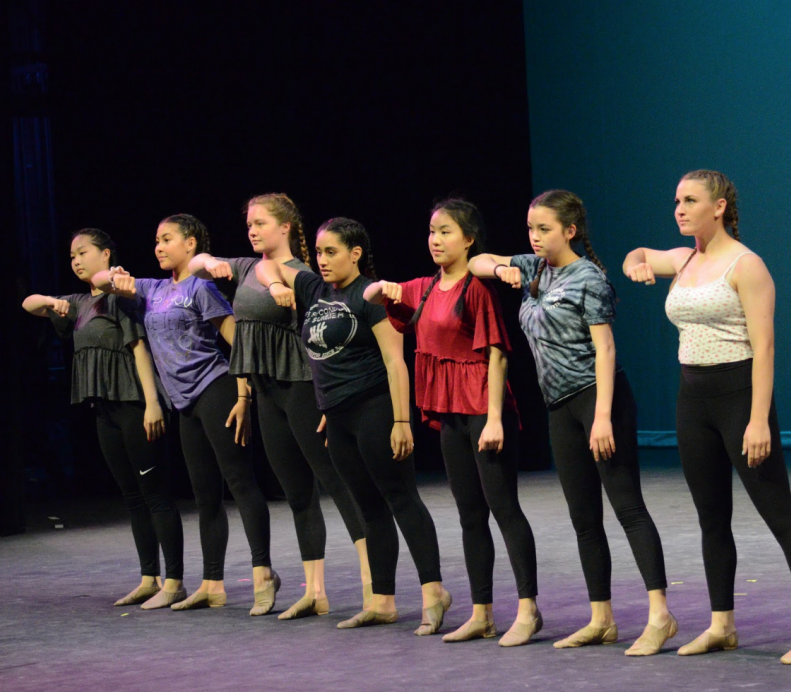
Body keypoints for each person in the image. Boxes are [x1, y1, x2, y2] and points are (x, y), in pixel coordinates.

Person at [622, 170, 791, 664]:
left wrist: (758, 419)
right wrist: (636, 264)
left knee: (779, 514)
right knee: (711, 518)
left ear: (718, 207)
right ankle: (722, 625)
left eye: (690, 200)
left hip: (739, 398)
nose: (678, 208)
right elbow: (637, 254)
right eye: (676, 199)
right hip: (691, 401)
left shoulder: (747, 265)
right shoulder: (682, 260)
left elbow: (765, 348)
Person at [469, 190, 673, 656]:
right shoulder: (534, 267)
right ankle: (602, 617)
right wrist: (503, 268)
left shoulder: (589, 278)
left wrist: (602, 416)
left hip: (598, 401)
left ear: (569, 231)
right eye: (530, 229)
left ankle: (660, 615)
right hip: (558, 406)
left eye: (543, 228)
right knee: (583, 517)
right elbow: (479, 260)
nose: (534, 237)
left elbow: (605, 349)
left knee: (628, 508)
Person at [256, 217, 450, 635]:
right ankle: (381, 602)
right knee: (368, 507)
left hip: (375, 408)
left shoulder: (371, 295)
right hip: (337, 416)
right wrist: (275, 286)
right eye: (319, 253)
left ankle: (434, 591)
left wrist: (402, 421)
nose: (322, 261)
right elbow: (268, 264)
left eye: (332, 252)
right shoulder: (313, 289)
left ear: (355, 253)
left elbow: (396, 361)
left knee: (400, 499)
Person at [363, 199, 540, 646]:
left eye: (445, 231)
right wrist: (380, 287)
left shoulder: (476, 289)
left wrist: (496, 418)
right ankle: (482, 612)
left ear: (468, 239)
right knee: (469, 514)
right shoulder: (425, 288)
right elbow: (387, 295)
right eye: (431, 231)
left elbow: (496, 353)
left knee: (503, 508)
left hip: (483, 409)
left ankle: (527, 609)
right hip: (450, 414)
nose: (436, 240)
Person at [189, 193, 371, 618]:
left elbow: (327, 339)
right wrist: (210, 261)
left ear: (285, 227)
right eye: (249, 224)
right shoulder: (248, 267)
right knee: (297, 492)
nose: (252, 230)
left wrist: (330, 400)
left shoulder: (304, 274)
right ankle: (315, 591)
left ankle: (372, 582)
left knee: (336, 483)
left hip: (303, 387)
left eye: (261, 223)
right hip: (267, 391)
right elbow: (197, 264)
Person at [93, 214, 279, 616]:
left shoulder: (200, 287)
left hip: (216, 389)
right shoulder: (153, 289)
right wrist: (116, 277)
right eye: (156, 241)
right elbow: (98, 280)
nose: (158, 247)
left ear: (191, 244)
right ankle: (213, 584)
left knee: (239, 481)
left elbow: (236, 340)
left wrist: (244, 396)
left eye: (167, 239)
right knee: (204, 493)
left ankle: (263, 572)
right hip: (184, 404)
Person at [23, 228, 186, 609]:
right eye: (71, 256)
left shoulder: (117, 298)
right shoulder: (78, 303)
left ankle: (174, 581)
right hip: (104, 412)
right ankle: (150, 577)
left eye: (83, 252)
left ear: (106, 254)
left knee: (155, 495)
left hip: (133, 404)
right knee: (132, 497)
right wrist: (50, 301)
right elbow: (28, 304)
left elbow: (139, 349)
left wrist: (151, 403)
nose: (76, 260)